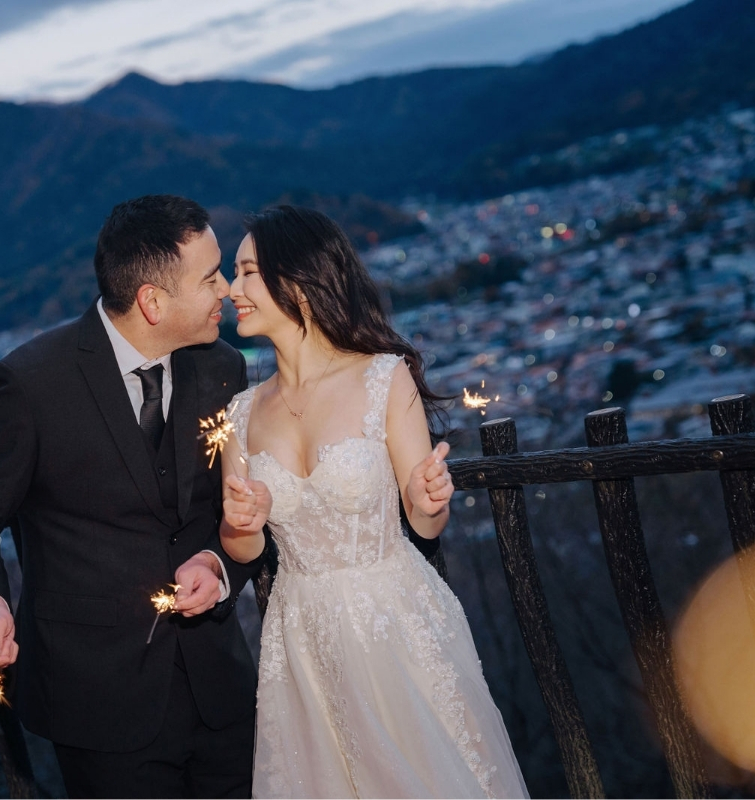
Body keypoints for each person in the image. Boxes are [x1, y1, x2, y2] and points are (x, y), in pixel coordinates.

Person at [0, 195, 263, 798]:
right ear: (152, 301)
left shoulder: (224, 368)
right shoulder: (29, 383)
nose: (225, 290)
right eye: (209, 277)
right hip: (98, 704)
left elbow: (235, 510)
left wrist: (218, 564)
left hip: (223, 690)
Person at [219, 206, 529, 798]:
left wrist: (426, 496)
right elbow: (243, 545)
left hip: (398, 621)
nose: (234, 289)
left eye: (248, 272)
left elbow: (425, 522)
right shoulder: (237, 415)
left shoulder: (384, 377)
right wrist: (241, 523)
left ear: (299, 283)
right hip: (301, 637)